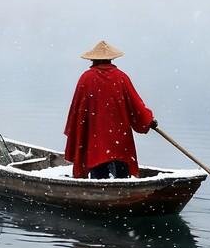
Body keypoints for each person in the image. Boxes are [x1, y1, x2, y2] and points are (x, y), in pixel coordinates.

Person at [64, 40, 157, 179]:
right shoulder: (121, 77)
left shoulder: (86, 78)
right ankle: (122, 194)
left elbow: (76, 113)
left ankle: (100, 194)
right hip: (120, 144)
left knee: (98, 179)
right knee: (122, 178)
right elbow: (136, 105)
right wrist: (147, 119)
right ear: (110, 59)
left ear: (93, 60)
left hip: (95, 145)